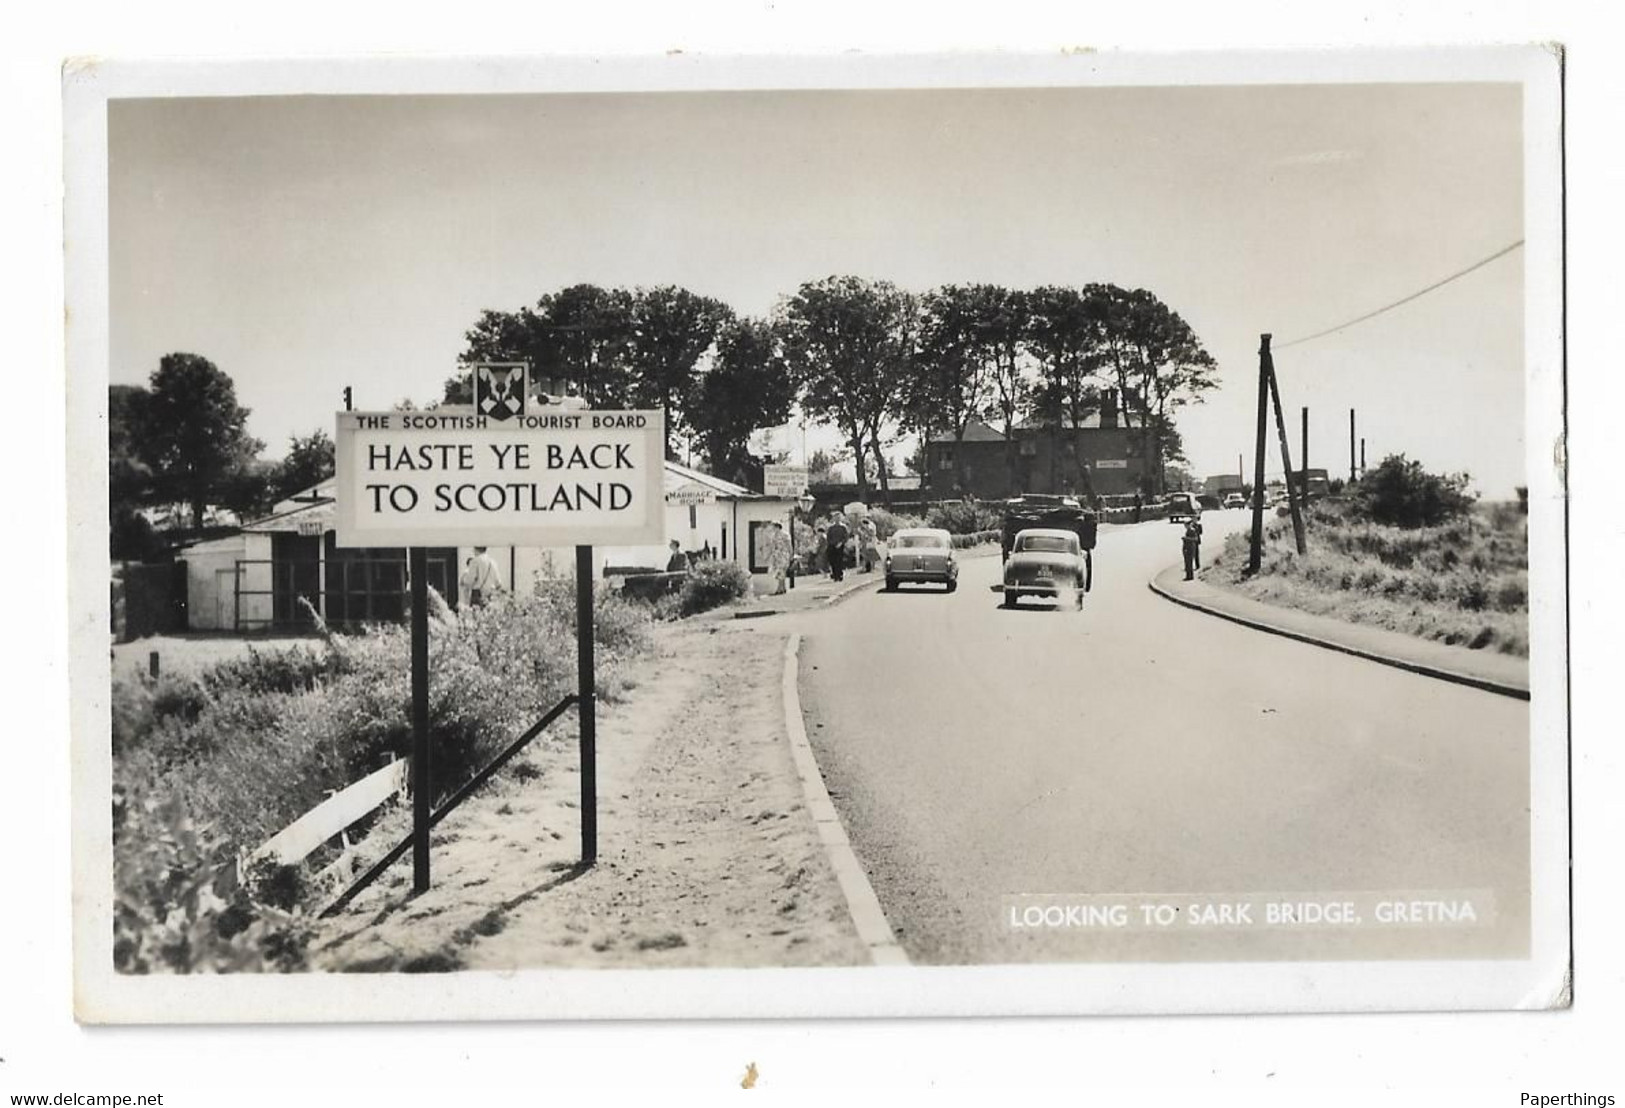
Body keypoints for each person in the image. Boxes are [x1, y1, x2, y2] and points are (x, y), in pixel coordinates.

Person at [765, 521, 791, 596]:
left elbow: (789, 544)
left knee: (780, 571)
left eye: (774, 527)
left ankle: (780, 589)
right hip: (779, 555)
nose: (773, 529)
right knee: (780, 572)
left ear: (777, 527)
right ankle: (783, 588)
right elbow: (773, 547)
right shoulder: (777, 536)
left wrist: (790, 553)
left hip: (781, 555)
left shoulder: (782, 535)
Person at [824, 514, 850, 582]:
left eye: (838, 518)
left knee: (839, 561)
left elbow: (846, 537)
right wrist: (830, 543)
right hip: (832, 546)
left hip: (840, 546)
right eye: (835, 518)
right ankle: (835, 575)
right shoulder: (831, 528)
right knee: (833, 561)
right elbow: (828, 537)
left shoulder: (843, 527)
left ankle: (839, 575)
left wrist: (841, 543)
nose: (837, 520)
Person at [1182, 516, 1204, 581]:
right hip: (1187, 547)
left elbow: (1195, 539)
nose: (1185, 526)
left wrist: (1186, 538)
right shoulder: (1188, 530)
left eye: (1185, 524)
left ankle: (1190, 576)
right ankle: (1188, 575)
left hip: (1191, 547)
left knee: (1189, 562)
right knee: (1187, 563)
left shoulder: (1192, 530)